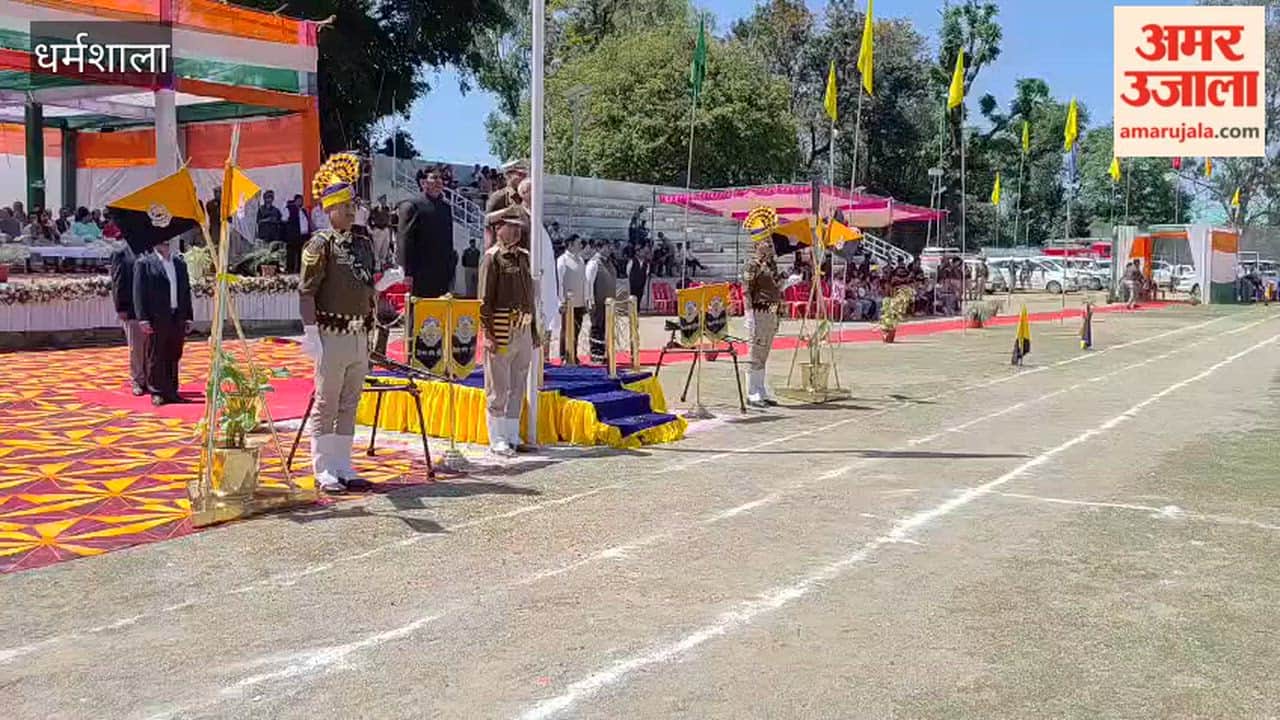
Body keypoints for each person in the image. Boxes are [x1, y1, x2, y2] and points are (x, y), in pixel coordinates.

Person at [298, 152, 393, 493]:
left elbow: (366, 284)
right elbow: (307, 292)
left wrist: (380, 286)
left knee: (351, 401)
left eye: (353, 207)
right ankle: (323, 468)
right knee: (327, 401)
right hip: (330, 332)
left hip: (358, 333)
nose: (351, 212)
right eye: (344, 207)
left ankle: (343, 465)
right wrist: (310, 333)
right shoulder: (319, 245)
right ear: (329, 210)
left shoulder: (363, 243)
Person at [478, 215, 539, 457]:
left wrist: (534, 330)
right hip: (502, 325)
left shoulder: (524, 256)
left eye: (518, 227)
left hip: (523, 325)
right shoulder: (493, 258)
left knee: (518, 383)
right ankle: (498, 437)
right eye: (510, 227)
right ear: (497, 228)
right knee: (498, 385)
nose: (515, 232)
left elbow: (529, 297)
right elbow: (484, 299)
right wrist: (488, 333)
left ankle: (513, 433)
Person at [132, 241, 193, 406]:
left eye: (168, 240)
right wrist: (143, 318)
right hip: (156, 317)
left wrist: (188, 316)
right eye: (161, 240)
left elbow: (185, 290)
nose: (165, 243)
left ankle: (172, 391)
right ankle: (157, 391)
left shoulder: (179, 263)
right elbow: (139, 292)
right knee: (155, 355)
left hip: (177, 315)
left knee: (174, 354)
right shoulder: (145, 263)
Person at [397, 167, 455, 298]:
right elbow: (404, 240)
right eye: (434, 177)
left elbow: (448, 241)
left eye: (441, 178)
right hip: (419, 274)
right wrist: (407, 273)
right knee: (418, 314)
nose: (439, 181)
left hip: (441, 273)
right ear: (423, 182)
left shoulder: (446, 207)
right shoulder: (411, 205)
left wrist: (450, 268)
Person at [743, 235, 783, 408]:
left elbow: (776, 286)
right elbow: (746, 290)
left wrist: (786, 282)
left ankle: (761, 389)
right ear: (757, 246)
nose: (769, 246)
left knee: (764, 352)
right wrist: (748, 313)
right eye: (765, 243)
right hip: (759, 310)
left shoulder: (772, 265)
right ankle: (752, 392)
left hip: (772, 309)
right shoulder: (753, 265)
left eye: (770, 243)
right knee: (756, 351)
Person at [109, 242, 146, 396]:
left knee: (150, 347)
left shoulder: (149, 251)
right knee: (136, 348)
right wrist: (120, 307)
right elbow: (117, 282)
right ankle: (137, 379)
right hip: (131, 308)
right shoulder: (121, 253)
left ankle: (149, 378)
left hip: (150, 309)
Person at [557, 235, 588, 362]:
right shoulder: (562, 260)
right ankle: (564, 354)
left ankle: (573, 354)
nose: (580, 246)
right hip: (567, 303)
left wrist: (586, 299)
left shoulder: (581, 260)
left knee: (577, 330)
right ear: (570, 245)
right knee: (566, 330)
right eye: (578, 243)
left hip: (579, 302)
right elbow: (559, 282)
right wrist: (560, 301)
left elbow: (584, 281)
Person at [585, 238, 617, 364]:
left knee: (605, 328)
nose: (609, 249)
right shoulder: (594, 263)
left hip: (608, 305)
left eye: (609, 247)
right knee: (597, 328)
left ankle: (602, 352)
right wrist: (590, 300)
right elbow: (588, 283)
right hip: (597, 303)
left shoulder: (609, 263)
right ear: (599, 248)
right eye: (606, 247)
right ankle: (595, 354)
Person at [485, 160, 527, 246]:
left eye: (525, 175)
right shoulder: (498, 197)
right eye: (519, 175)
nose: (523, 178)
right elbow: (487, 223)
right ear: (508, 175)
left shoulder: (527, 197)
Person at [626, 244, 650, 308]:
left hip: (641, 283)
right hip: (633, 283)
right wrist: (633, 278)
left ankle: (637, 311)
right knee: (632, 298)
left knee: (639, 297)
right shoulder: (632, 261)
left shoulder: (646, 263)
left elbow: (647, 272)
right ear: (637, 252)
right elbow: (628, 271)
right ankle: (632, 311)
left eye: (644, 252)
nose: (643, 254)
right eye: (641, 252)